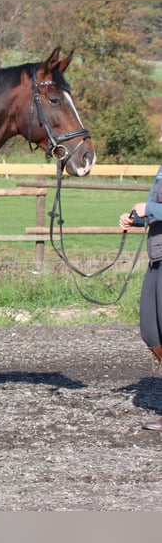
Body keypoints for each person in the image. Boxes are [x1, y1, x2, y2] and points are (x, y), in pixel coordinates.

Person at [119, 164, 162, 431]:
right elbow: (152, 211)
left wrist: (151, 210)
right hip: (157, 257)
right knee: (151, 332)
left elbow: (155, 208)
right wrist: (137, 218)